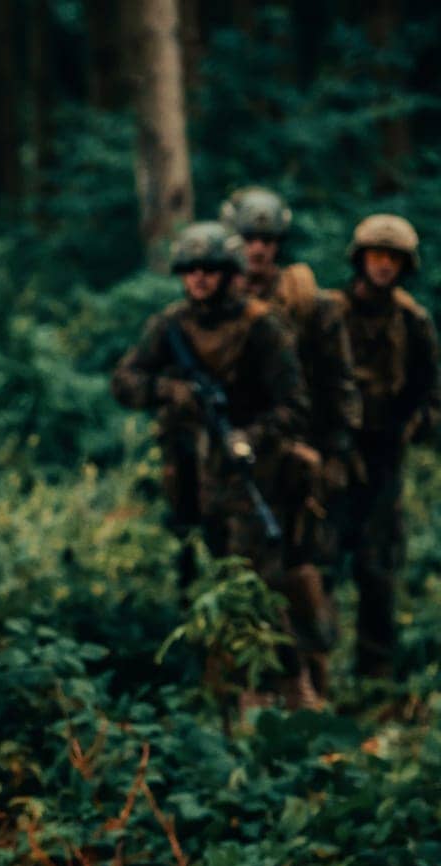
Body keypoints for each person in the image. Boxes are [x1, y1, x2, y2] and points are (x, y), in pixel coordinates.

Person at [112, 221, 316, 706]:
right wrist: (170, 391)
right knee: (199, 583)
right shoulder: (170, 327)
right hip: (187, 475)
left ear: (230, 274)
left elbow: (295, 405)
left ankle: (282, 688)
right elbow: (125, 381)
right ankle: (213, 691)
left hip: (250, 476)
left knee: (255, 586)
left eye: (210, 270)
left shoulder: (262, 326)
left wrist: (251, 436)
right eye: (191, 270)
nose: (199, 279)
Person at [220, 186, 360, 696]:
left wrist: (335, 454)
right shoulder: (219, 304)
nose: (258, 249)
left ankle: (315, 690)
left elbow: (339, 384)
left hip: (301, 464)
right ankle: (251, 690)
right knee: (243, 574)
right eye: (249, 238)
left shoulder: (309, 304)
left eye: (267, 239)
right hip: (240, 463)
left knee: (306, 571)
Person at [324, 214, 440, 678]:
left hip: (385, 454)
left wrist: (414, 425)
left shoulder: (414, 322)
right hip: (334, 451)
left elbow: (432, 393)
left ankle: (374, 677)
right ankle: (313, 674)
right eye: (376, 256)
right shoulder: (330, 312)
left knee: (378, 567)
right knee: (320, 560)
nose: (384, 266)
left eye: (393, 258)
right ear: (360, 259)